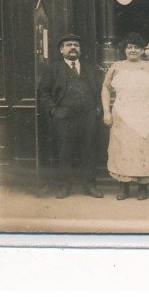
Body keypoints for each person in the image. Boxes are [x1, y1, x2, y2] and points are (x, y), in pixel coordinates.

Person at [38, 33, 104, 199]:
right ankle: (64, 186)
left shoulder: (89, 68)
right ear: (62, 50)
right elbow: (44, 92)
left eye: (76, 45)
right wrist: (54, 110)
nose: (73, 47)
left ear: (80, 49)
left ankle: (90, 185)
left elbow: (100, 89)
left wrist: (97, 108)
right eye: (69, 45)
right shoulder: (53, 69)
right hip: (64, 117)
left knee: (88, 150)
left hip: (88, 116)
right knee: (65, 151)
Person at [102, 32, 149, 201]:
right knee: (122, 149)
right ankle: (123, 186)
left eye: (136, 47)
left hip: (144, 112)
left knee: (143, 148)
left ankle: (143, 186)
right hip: (121, 112)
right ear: (124, 50)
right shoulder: (116, 66)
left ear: (142, 50)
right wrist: (106, 111)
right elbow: (105, 88)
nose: (132, 50)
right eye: (129, 47)